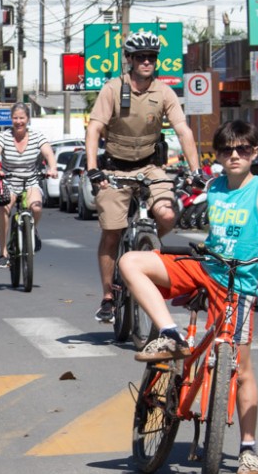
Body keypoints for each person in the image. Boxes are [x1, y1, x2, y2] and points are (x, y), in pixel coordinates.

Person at [119, 121, 258, 474]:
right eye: (227, 150)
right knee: (131, 262)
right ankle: (169, 333)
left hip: (238, 285)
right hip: (204, 269)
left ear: (255, 152)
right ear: (219, 155)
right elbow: (189, 211)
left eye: (243, 149)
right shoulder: (214, 187)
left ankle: (248, 449)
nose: (235, 155)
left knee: (241, 369)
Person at [85, 32, 201, 323]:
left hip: (149, 167)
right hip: (115, 169)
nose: (146, 62)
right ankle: (108, 297)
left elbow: (183, 130)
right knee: (112, 231)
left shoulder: (164, 92)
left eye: (151, 57)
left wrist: (196, 171)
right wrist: (92, 168)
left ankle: (144, 247)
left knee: (167, 214)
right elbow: (94, 129)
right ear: (130, 60)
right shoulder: (113, 89)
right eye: (140, 57)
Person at [0, 102, 56, 268]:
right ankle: (3, 252)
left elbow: (48, 153)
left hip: (31, 181)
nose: (18, 122)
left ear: (28, 119)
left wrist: (52, 168)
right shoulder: (3, 136)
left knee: (36, 208)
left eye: (22, 118)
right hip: (9, 181)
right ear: (11, 119)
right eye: (15, 118)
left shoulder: (37, 136)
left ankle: (32, 231)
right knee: (3, 209)